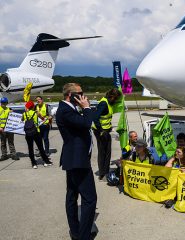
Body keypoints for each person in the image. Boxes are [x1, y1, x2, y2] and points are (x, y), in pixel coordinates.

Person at [56, 83, 97, 240]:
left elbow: (83, 124)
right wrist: (86, 108)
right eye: (80, 93)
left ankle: (75, 231)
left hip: (74, 159)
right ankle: (83, 236)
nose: (83, 96)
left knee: (72, 196)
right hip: (77, 161)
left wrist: (85, 109)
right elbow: (87, 123)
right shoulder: (65, 110)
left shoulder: (69, 109)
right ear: (70, 95)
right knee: (89, 199)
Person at [92, 88, 122, 180]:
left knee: (108, 151)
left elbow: (106, 118)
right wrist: (101, 130)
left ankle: (106, 171)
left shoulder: (109, 103)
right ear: (111, 96)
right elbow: (95, 117)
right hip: (100, 131)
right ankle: (102, 173)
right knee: (102, 152)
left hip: (106, 131)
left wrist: (109, 128)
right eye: (115, 99)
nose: (116, 101)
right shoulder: (104, 103)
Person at [22, 101, 52, 169]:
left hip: (28, 133)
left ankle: (34, 163)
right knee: (40, 148)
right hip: (36, 132)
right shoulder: (36, 113)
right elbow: (43, 119)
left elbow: (22, 119)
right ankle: (46, 161)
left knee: (30, 148)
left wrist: (26, 112)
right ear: (33, 107)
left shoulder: (24, 113)